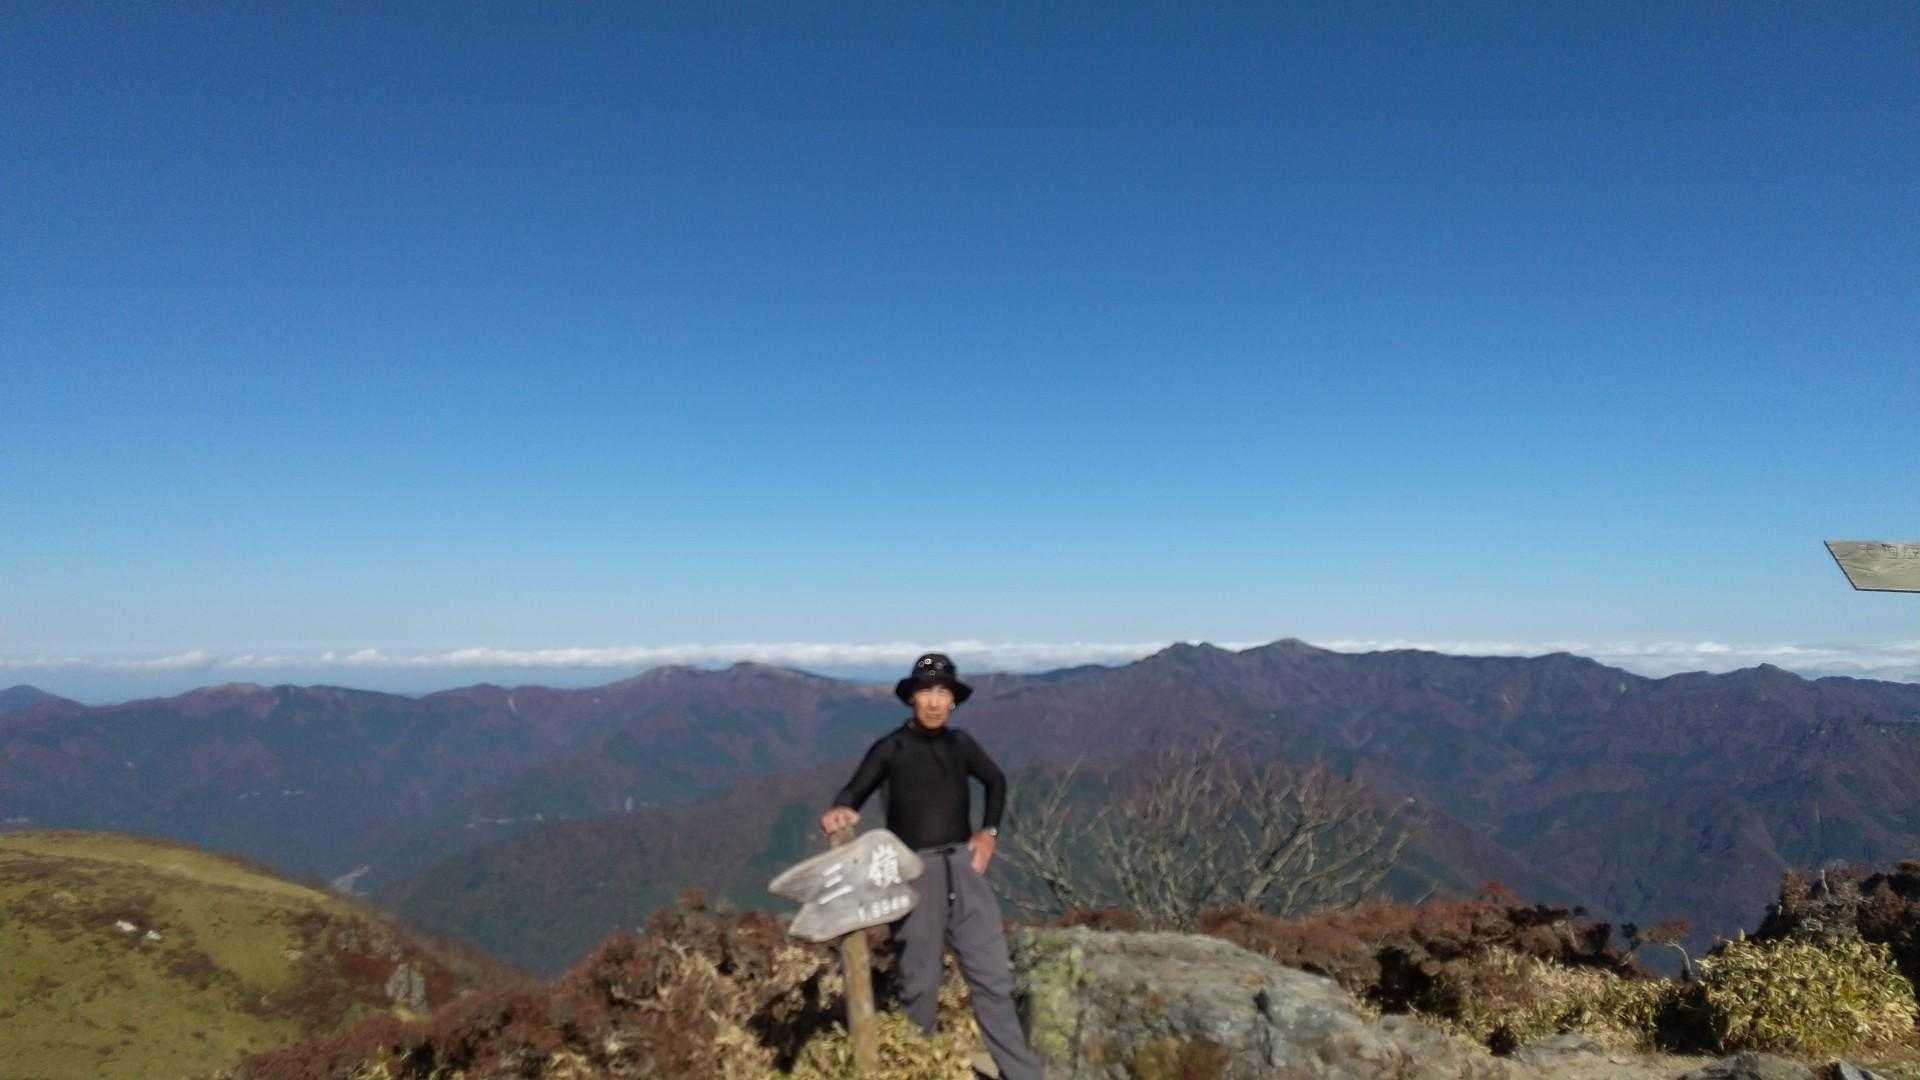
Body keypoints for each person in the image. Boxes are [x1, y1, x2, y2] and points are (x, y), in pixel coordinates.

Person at [820, 652, 1043, 1080]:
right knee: (919, 984)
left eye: (943, 692)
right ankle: (918, 1068)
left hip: (963, 866)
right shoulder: (891, 748)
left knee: (992, 977)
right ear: (912, 698)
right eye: (926, 691)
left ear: (953, 700)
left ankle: (1022, 1075)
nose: (935, 701)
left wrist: (989, 833)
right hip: (914, 871)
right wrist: (841, 810)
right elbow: (853, 792)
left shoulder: (962, 744)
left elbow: (996, 780)